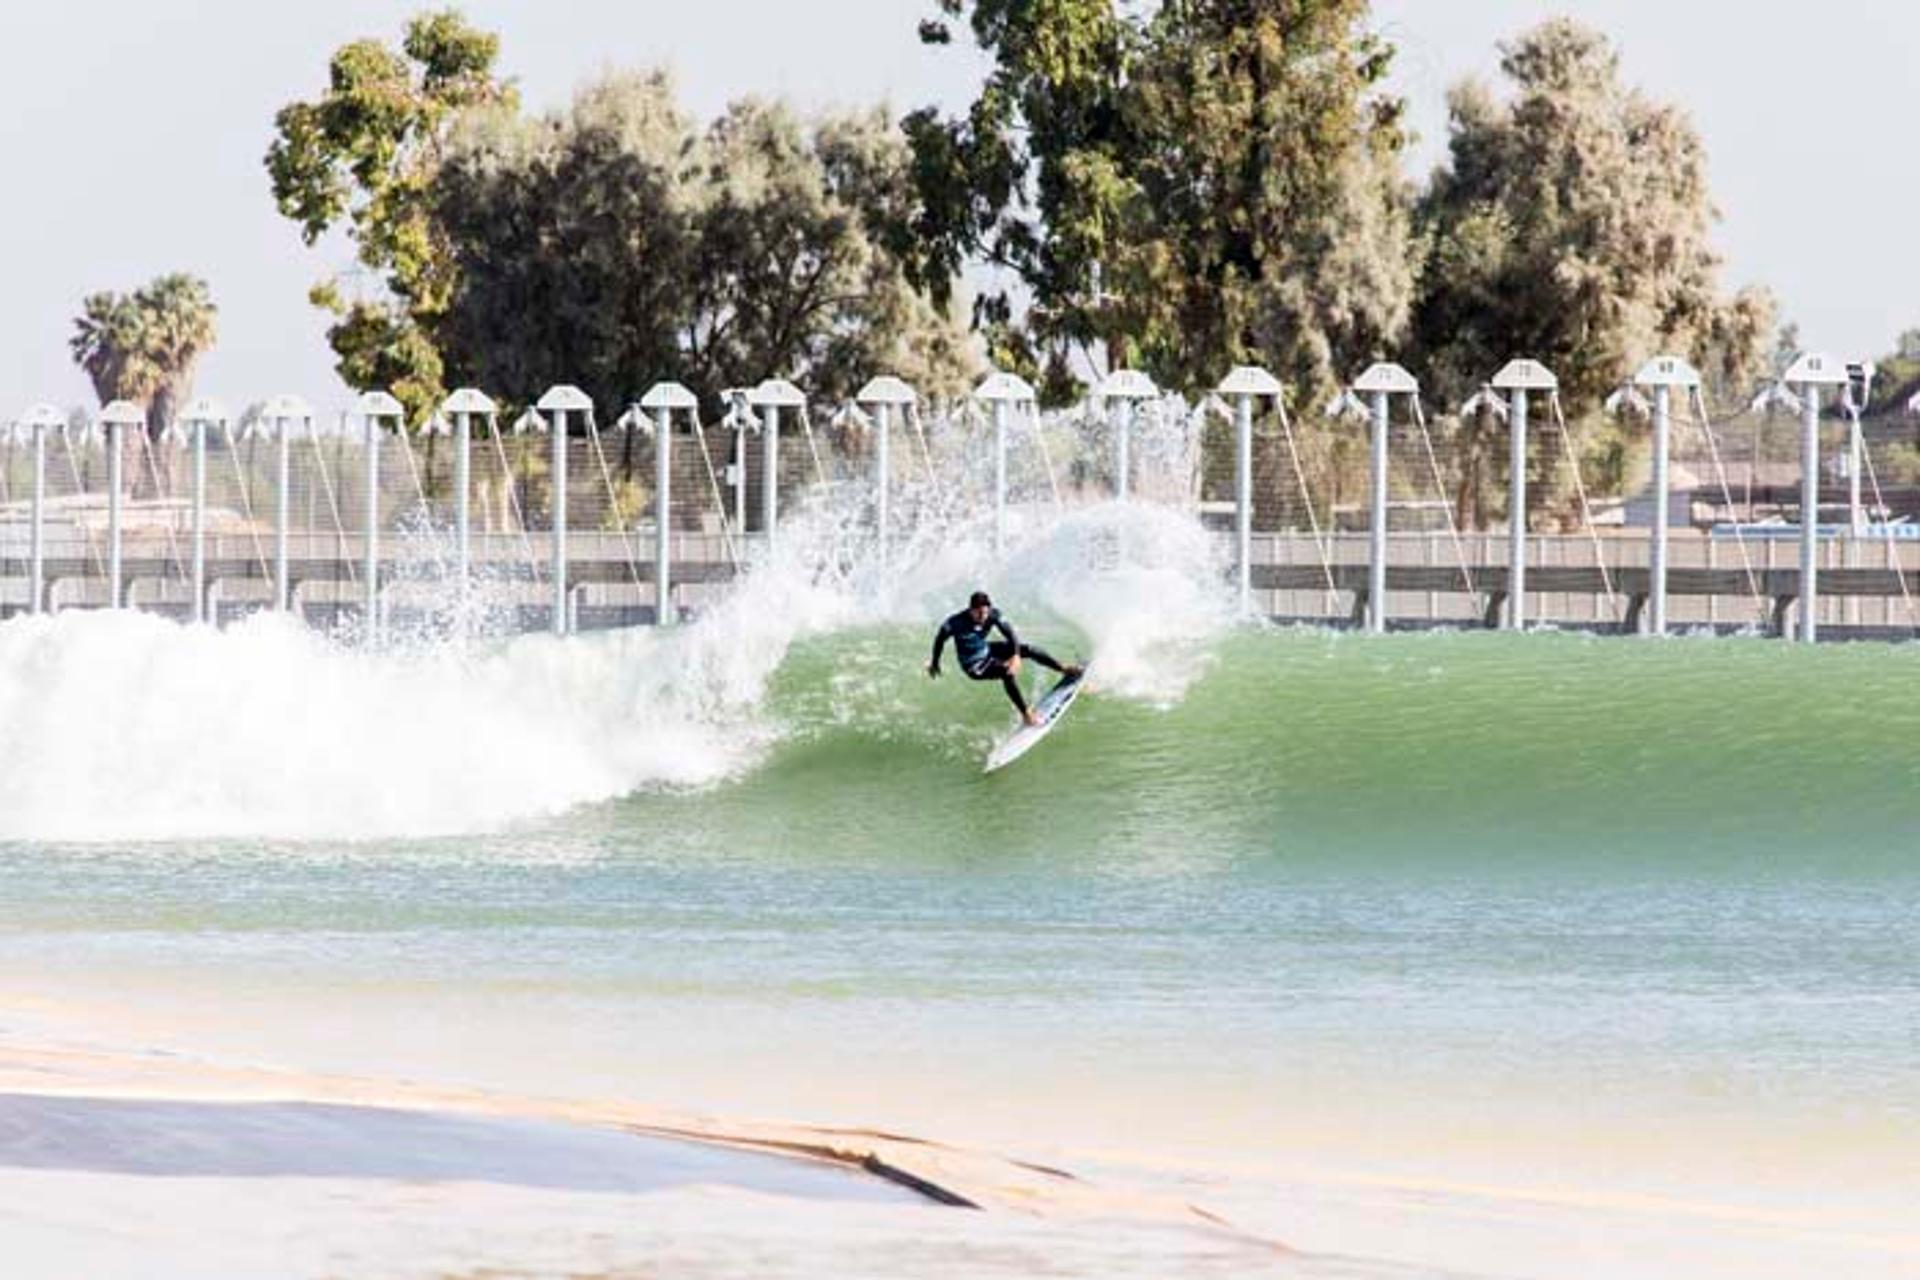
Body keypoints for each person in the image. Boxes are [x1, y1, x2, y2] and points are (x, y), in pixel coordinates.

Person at [927, 591, 1081, 727]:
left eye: (985, 613)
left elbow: (1010, 634)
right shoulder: (954, 623)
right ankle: (1026, 715)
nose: (983, 617)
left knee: (1028, 649)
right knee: (1007, 672)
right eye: (979, 613)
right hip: (973, 665)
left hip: (987, 649)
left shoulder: (993, 615)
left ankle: (1063, 668)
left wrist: (1015, 655)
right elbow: (939, 640)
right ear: (971, 610)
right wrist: (935, 663)